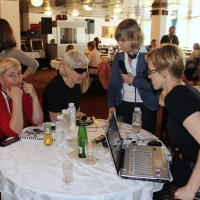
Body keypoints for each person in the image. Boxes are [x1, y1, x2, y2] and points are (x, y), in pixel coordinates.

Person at [145, 44, 200, 200]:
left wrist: (190, 188)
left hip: (195, 170)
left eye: (151, 71)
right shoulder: (185, 90)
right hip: (192, 163)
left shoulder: (176, 97)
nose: (149, 76)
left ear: (165, 71)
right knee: (152, 178)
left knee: (148, 192)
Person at [108, 18, 160, 134]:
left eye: (123, 40)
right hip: (123, 104)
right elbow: (113, 83)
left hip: (146, 106)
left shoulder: (150, 55)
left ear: (134, 39)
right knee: (123, 138)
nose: (119, 44)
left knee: (144, 140)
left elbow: (155, 87)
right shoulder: (119, 56)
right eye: (118, 40)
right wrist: (111, 105)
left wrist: (134, 80)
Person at [0, 58, 43, 141]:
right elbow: (14, 132)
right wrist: (16, 100)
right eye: (11, 75)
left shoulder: (22, 91)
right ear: (1, 80)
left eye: (19, 73)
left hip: (9, 139)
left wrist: (34, 97)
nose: (18, 79)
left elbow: (37, 122)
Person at [42, 50, 87, 122]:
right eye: (80, 71)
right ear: (67, 69)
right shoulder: (55, 88)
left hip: (67, 126)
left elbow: (76, 109)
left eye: (85, 70)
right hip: (53, 129)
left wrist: (76, 115)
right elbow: (55, 119)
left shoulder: (76, 83)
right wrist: (77, 115)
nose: (84, 74)